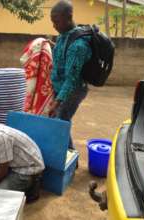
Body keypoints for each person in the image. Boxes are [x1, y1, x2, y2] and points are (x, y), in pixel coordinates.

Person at [48, 1, 92, 149]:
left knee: (60, 122)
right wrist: (52, 46)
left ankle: (70, 157)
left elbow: (71, 79)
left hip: (72, 91)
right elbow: (64, 54)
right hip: (60, 87)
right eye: (52, 22)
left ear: (69, 17)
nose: (54, 26)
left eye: (57, 22)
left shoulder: (79, 45)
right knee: (60, 122)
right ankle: (68, 156)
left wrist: (57, 101)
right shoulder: (64, 35)